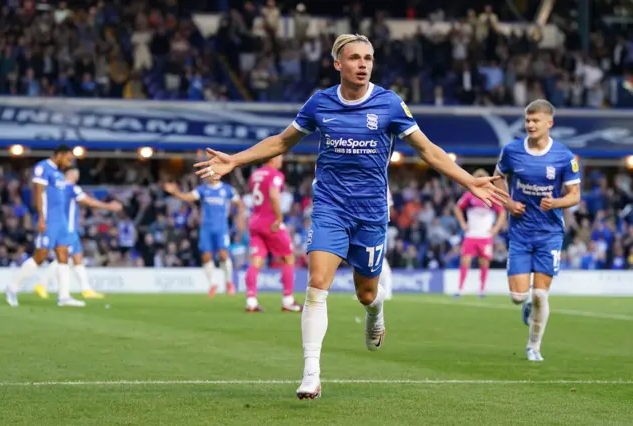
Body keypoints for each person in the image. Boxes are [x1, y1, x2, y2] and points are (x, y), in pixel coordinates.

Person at [194, 34, 508, 399]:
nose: (363, 64)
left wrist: (469, 181)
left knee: (367, 292)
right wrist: (234, 159)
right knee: (316, 286)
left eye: (368, 58)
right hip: (329, 207)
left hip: (371, 213)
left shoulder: (389, 104)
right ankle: (311, 373)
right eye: (355, 58)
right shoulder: (320, 103)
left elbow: (428, 150)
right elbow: (281, 142)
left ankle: (376, 312)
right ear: (337, 64)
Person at [494, 99, 581, 362]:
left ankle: (534, 346)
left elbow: (574, 195)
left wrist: (556, 202)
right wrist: (508, 202)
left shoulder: (564, 156)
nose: (530, 125)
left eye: (535, 121)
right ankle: (527, 304)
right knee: (518, 297)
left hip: (550, 232)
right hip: (520, 232)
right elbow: (498, 176)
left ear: (549, 123)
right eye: (527, 120)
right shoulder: (511, 150)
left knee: (541, 293)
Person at [6, 145, 86, 307]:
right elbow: (38, 193)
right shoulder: (43, 168)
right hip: (49, 221)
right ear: (60, 154)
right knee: (40, 256)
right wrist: (41, 218)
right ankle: (12, 287)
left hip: (61, 221)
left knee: (63, 255)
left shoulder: (58, 173)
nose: (68, 162)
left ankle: (64, 297)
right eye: (68, 158)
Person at [39, 167, 123, 298]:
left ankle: (86, 289)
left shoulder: (56, 189)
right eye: (76, 173)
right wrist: (109, 206)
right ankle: (42, 284)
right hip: (68, 229)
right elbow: (89, 202)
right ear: (71, 174)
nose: (77, 176)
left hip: (63, 227)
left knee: (77, 258)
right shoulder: (72, 188)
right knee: (65, 258)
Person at [164, 176, 242, 297]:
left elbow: (239, 203)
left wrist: (240, 218)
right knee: (206, 257)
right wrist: (175, 192)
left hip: (221, 227)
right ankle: (212, 284)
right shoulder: (203, 189)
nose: (210, 176)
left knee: (223, 254)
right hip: (206, 228)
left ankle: (229, 282)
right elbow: (188, 197)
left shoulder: (227, 189)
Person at [245, 155, 302, 312]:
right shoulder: (275, 175)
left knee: (256, 261)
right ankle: (288, 300)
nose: (281, 160)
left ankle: (251, 301)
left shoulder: (255, 175)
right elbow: (273, 194)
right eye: (280, 157)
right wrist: (279, 217)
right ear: (273, 158)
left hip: (255, 221)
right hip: (270, 222)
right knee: (289, 257)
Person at [453, 169, 506, 298]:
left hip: (485, 235)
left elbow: (502, 212)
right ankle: (460, 289)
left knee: (484, 262)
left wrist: (495, 228)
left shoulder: (491, 195)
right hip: (471, 234)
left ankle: (482, 289)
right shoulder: (470, 195)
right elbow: (457, 208)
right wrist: (463, 224)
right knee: (465, 261)